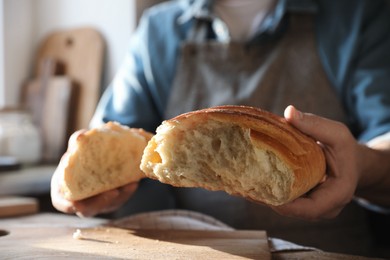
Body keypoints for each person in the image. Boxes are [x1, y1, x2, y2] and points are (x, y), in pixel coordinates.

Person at [51, 0, 390, 256]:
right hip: (191, 252)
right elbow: (109, 139)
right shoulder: (160, 29)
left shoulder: (359, 14)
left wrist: (361, 166)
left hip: (324, 251)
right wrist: (77, 184)